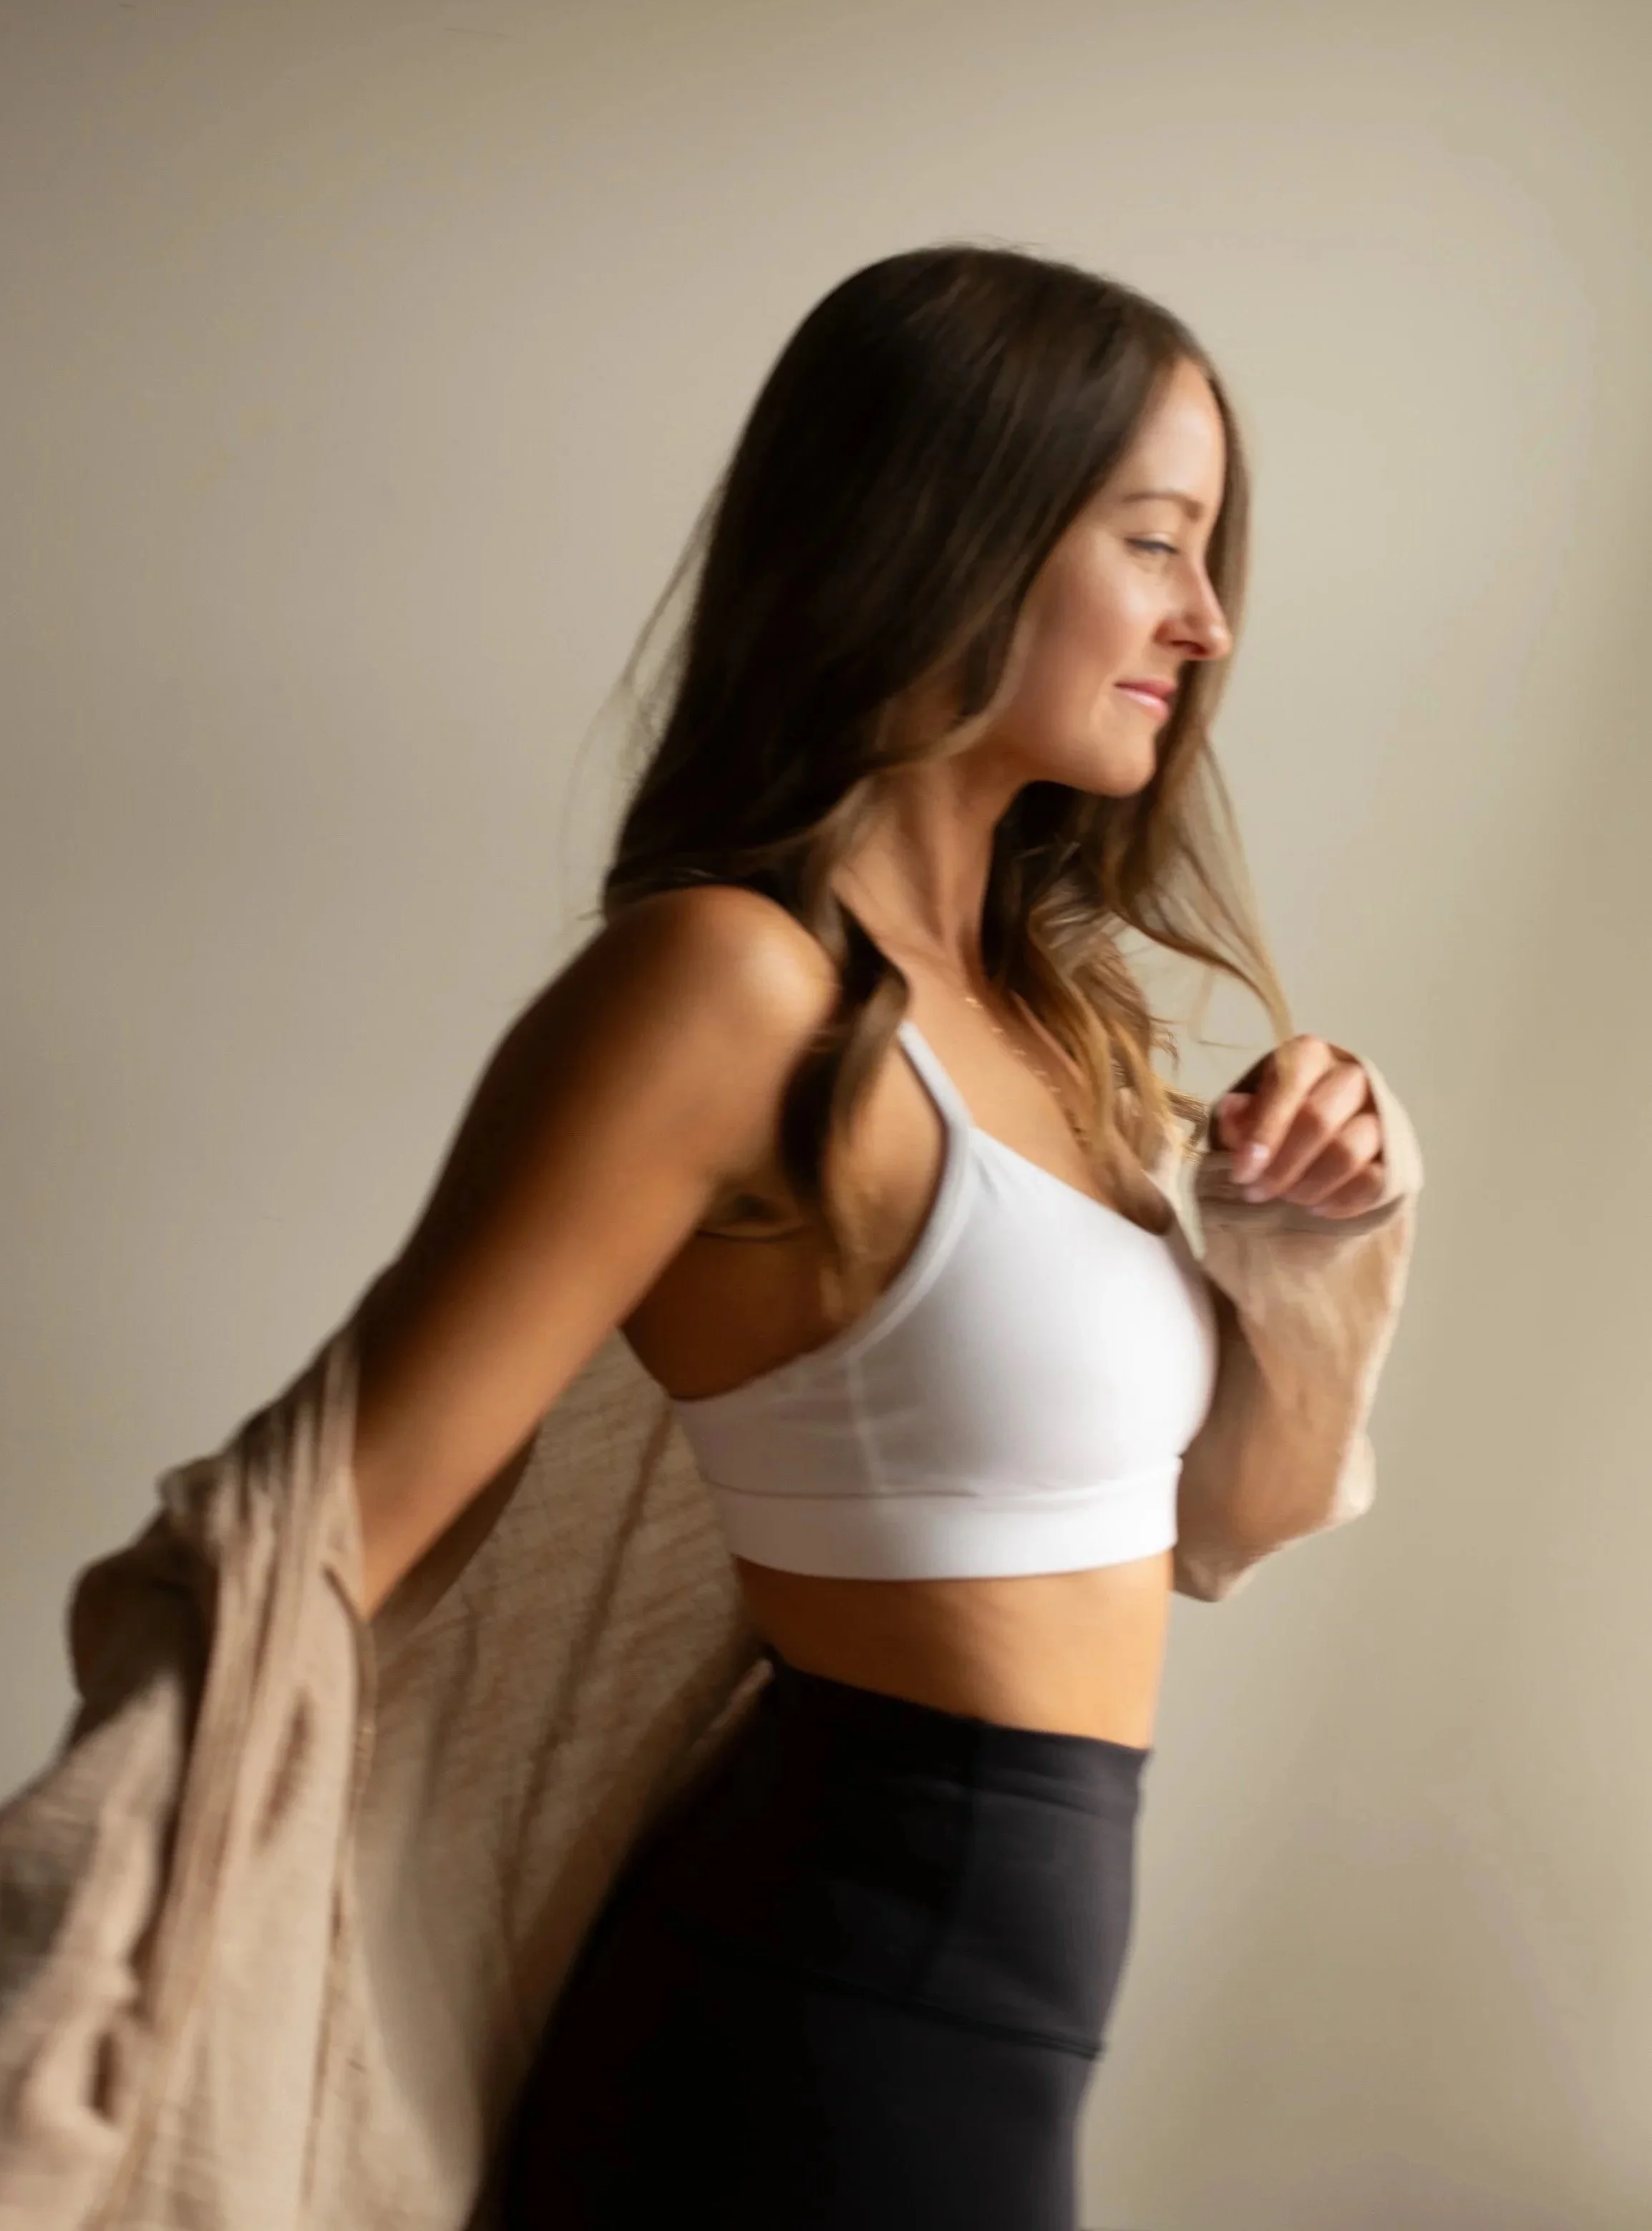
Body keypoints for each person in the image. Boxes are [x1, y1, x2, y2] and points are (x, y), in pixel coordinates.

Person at [345, 243, 1418, 2230]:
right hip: (833, 1989)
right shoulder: (729, 988)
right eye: (1156, 543)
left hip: (972, 1990)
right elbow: (338, 1526)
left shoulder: (1051, 1020)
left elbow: (1220, 1530)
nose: (1206, 622)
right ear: (953, 532)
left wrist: (1302, 1244)